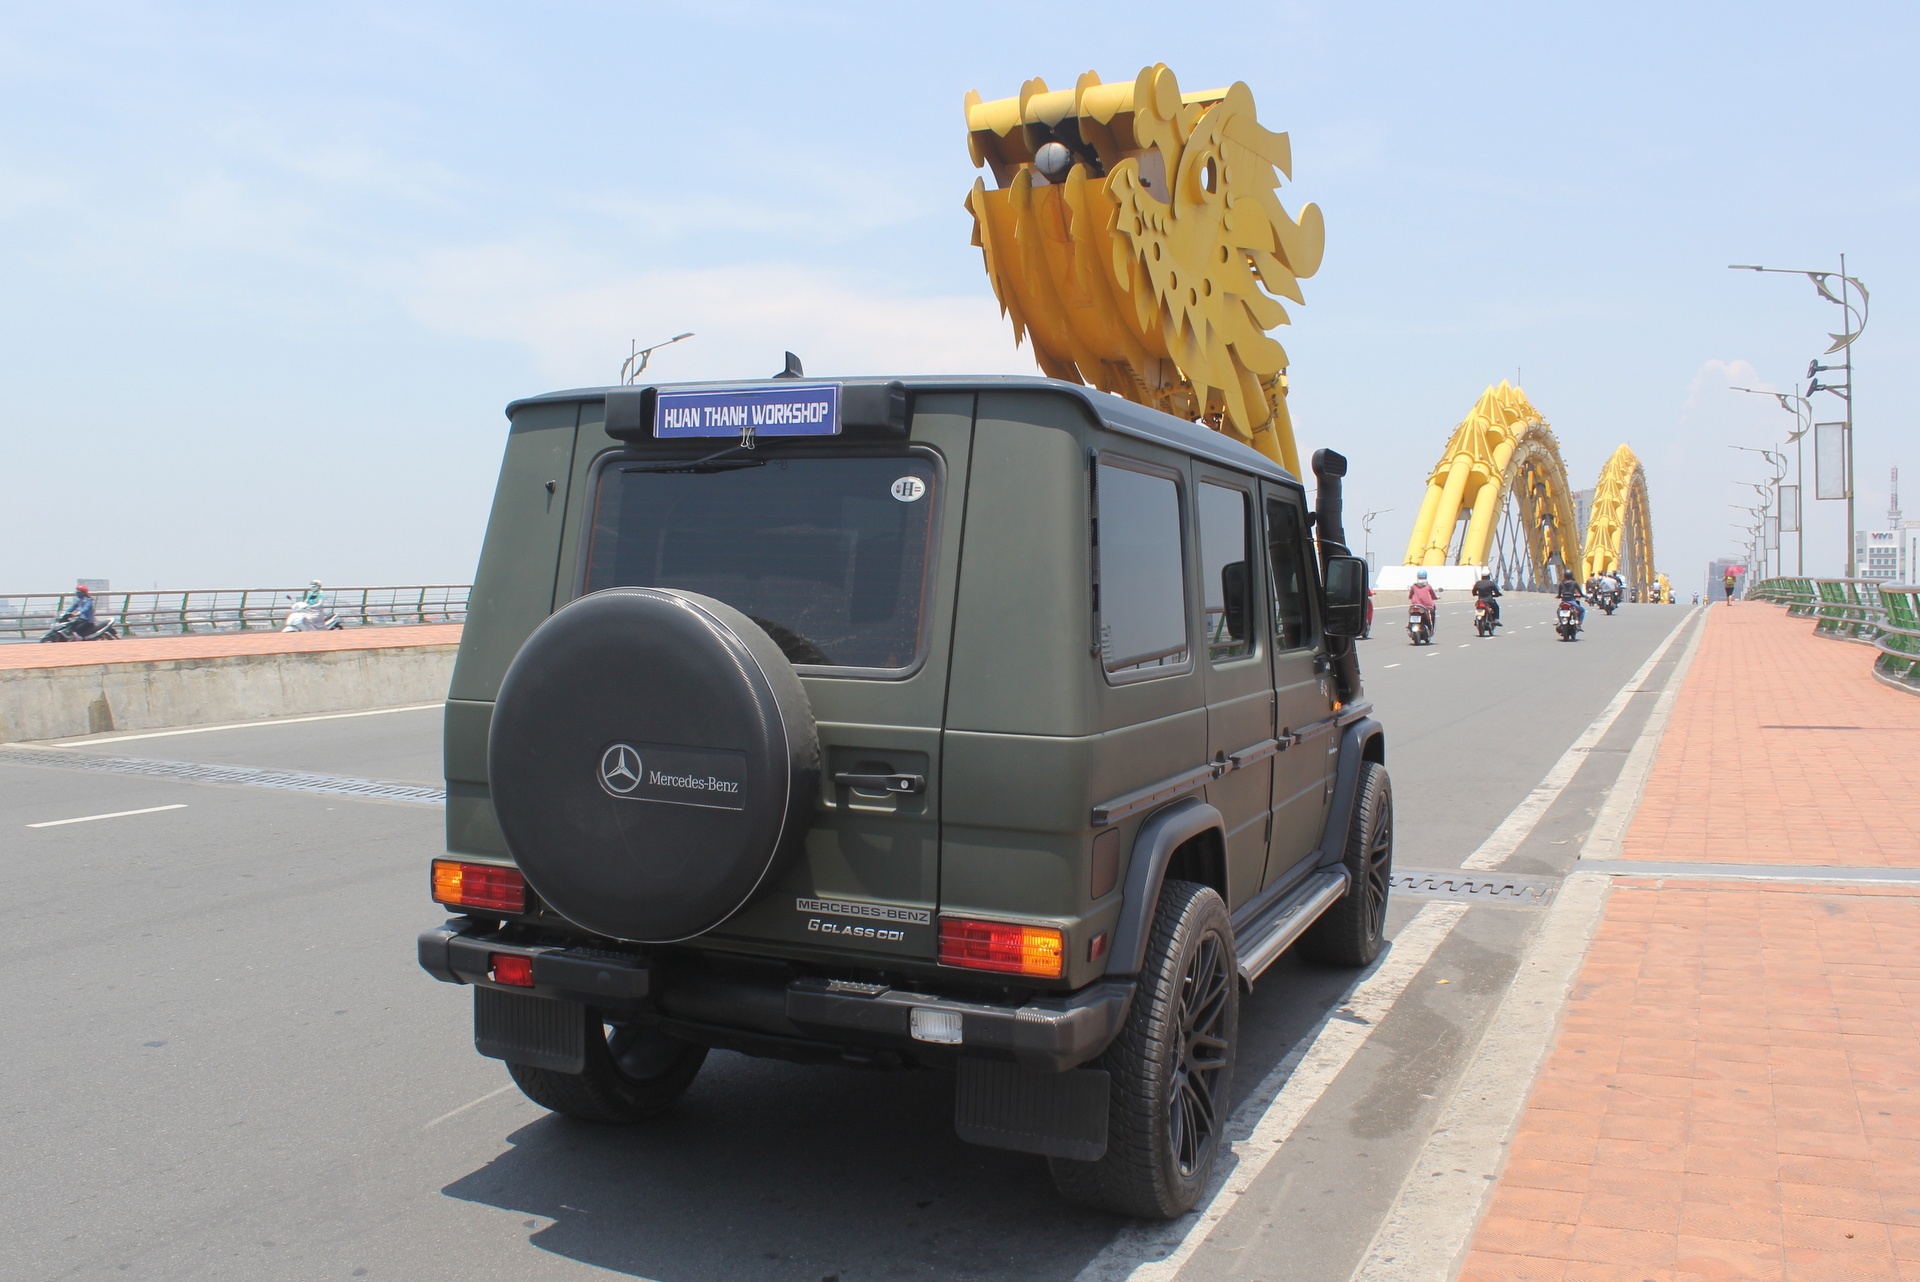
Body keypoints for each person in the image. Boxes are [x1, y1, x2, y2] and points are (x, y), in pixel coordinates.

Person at [1408, 569, 1439, 633]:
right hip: (1427, 606)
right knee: (1431, 615)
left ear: (1417, 576)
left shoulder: (1414, 586)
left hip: (1415, 605)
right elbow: (1433, 595)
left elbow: (1410, 596)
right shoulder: (1428, 586)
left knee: (1411, 613)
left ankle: (1409, 626)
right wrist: (1436, 597)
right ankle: (1431, 629)